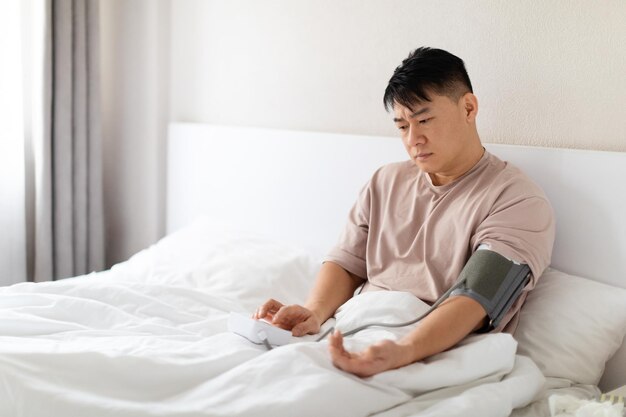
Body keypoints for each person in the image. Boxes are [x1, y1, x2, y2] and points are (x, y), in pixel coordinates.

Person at [254, 47, 555, 378]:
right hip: (354, 329)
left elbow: (477, 296)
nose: (414, 139)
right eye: (402, 126)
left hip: (432, 350)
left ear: (468, 108)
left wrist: (404, 351)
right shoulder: (385, 181)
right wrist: (314, 311)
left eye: (424, 119)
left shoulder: (516, 199)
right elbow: (346, 262)